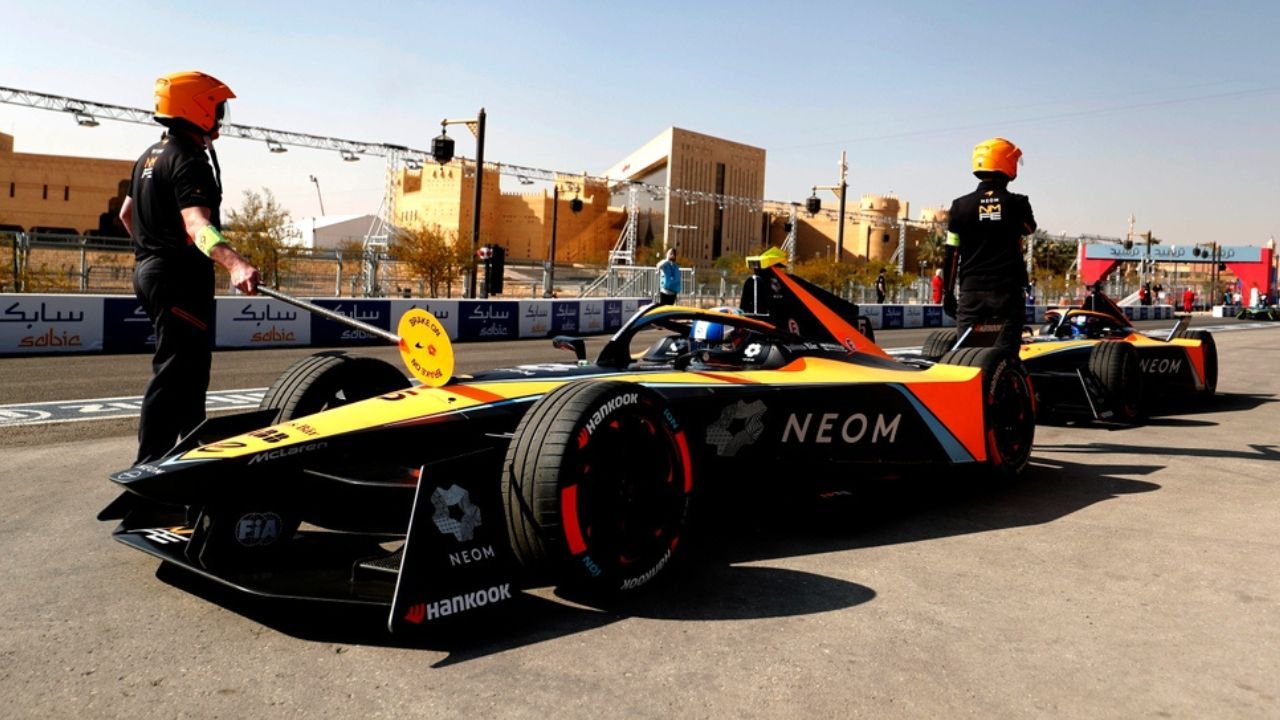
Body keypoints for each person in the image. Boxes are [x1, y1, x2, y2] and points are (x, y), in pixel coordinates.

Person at [119, 71, 260, 464]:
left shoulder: (149, 155)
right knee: (176, 372)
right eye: (217, 107)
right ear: (196, 107)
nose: (220, 116)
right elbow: (196, 223)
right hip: (177, 279)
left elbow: (127, 215)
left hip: (151, 272)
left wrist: (151, 252)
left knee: (191, 373)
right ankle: (149, 469)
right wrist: (235, 264)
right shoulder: (189, 158)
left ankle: (190, 458)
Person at [941, 137, 1037, 356]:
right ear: (1006, 164)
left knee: (966, 357)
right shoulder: (1017, 203)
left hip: (970, 293)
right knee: (1004, 357)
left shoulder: (959, 206)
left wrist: (947, 292)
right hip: (1005, 293)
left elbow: (952, 253)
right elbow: (1029, 228)